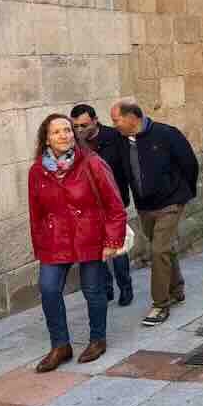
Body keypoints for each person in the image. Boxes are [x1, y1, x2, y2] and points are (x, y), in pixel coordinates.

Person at [29, 114, 127, 372]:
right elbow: (36, 213)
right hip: (55, 238)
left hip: (89, 234)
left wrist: (112, 240)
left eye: (68, 130)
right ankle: (60, 345)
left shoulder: (92, 163)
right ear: (46, 139)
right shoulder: (37, 170)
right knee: (49, 289)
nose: (64, 135)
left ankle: (97, 339)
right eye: (57, 132)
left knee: (93, 289)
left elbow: (115, 205)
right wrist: (39, 245)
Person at [112, 102, 199, 327]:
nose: (115, 125)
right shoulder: (120, 141)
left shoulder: (167, 134)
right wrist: (123, 201)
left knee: (158, 249)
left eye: (116, 120)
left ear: (132, 117)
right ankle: (177, 287)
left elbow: (189, 163)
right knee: (164, 247)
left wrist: (182, 192)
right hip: (145, 206)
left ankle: (160, 304)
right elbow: (122, 173)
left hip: (171, 202)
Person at [70, 104, 133, 307]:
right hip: (88, 206)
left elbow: (127, 167)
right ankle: (107, 287)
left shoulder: (115, 137)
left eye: (84, 125)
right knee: (97, 249)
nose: (79, 130)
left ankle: (126, 287)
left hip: (114, 202)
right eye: (76, 126)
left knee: (118, 248)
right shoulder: (74, 143)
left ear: (95, 120)